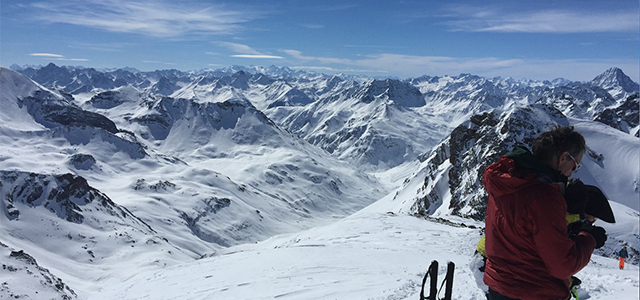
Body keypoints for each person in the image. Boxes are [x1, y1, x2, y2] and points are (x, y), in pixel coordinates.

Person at [482, 126, 607, 300]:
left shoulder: (507, 183)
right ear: (563, 157)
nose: (572, 173)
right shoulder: (544, 197)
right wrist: (588, 237)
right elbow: (563, 265)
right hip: (534, 291)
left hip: (499, 286)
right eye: (575, 165)